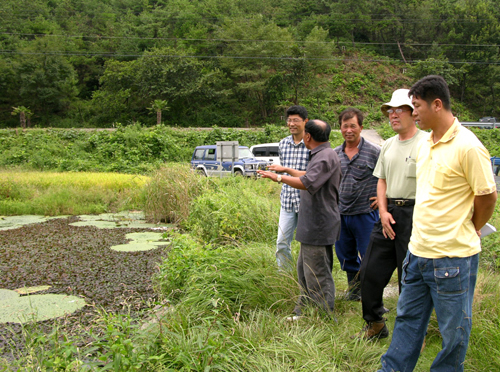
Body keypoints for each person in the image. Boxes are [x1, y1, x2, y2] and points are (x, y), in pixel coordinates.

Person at [378, 75, 497, 372]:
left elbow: (487, 197)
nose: (413, 112)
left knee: (453, 333)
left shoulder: (468, 146)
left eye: (416, 106)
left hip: (452, 259)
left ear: (437, 104)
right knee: (406, 321)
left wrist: (470, 227)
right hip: (417, 254)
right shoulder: (425, 144)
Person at [355, 89, 428, 339]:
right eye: (390, 111)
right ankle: (375, 324)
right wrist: (384, 212)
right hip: (388, 214)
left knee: (409, 275)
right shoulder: (387, 144)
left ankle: (413, 332)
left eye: (399, 110)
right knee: (369, 270)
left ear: (413, 113)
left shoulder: (428, 142)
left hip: (416, 214)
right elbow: (382, 181)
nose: (393, 115)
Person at [258, 120, 341, 317]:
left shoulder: (323, 157)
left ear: (308, 137)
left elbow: (307, 182)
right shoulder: (323, 154)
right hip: (312, 223)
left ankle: (323, 315)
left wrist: (277, 178)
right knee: (304, 271)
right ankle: (303, 310)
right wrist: (286, 170)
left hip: (318, 223)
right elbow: (308, 174)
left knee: (317, 272)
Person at [334, 108, 380, 300]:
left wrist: (382, 197)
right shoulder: (334, 154)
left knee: (370, 258)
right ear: (340, 129)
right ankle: (354, 292)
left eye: (353, 126)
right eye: (345, 126)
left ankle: (373, 297)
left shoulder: (374, 152)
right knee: (345, 255)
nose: (349, 130)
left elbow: (387, 177)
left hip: (365, 214)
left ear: (361, 127)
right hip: (341, 215)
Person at [269, 105, 310, 270]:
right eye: (289, 120)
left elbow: (313, 174)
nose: (292, 124)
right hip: (287, 201)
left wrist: (283, 172)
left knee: (307, 244)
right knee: (282, 241)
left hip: (307, 202)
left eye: (296, 120)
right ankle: (285, 275)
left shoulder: (311, 143)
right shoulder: (283, 143)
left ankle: (306, 276)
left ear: (305, 122)